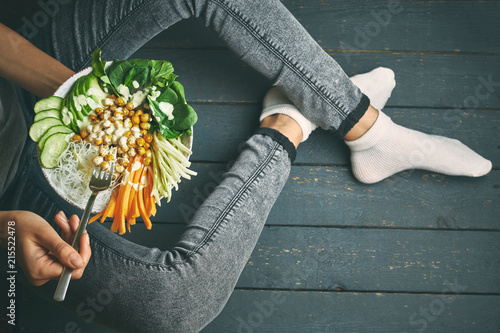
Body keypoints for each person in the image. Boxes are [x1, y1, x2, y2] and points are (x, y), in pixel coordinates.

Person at [0, 1, 491, 332]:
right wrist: (6, 233)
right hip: (16, 198)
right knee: (181, 304)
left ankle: (367, 128)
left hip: (20, 83)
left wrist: (77, 97)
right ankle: (288, 123)